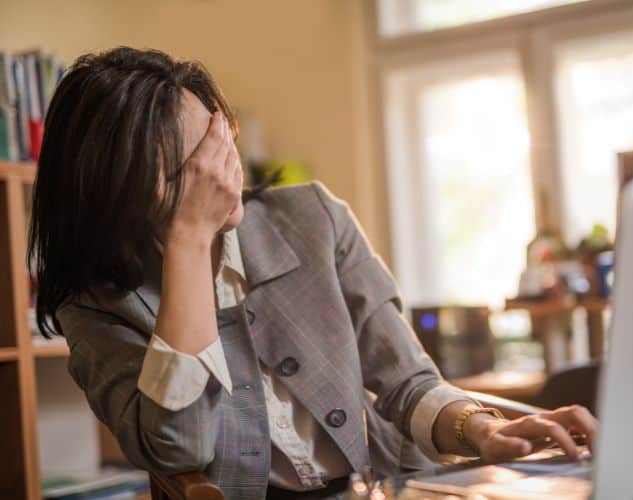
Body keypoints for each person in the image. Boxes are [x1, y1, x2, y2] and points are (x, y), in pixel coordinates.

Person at [29, 47, 597, 500]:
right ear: (121, 184)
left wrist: (479, 429)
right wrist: (188, 241)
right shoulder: (95, 306)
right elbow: (178, 448)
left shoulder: (312, 218)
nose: (223, 173)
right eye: (195, 163)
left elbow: (408, 382)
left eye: (219, 139)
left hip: (392, 484)